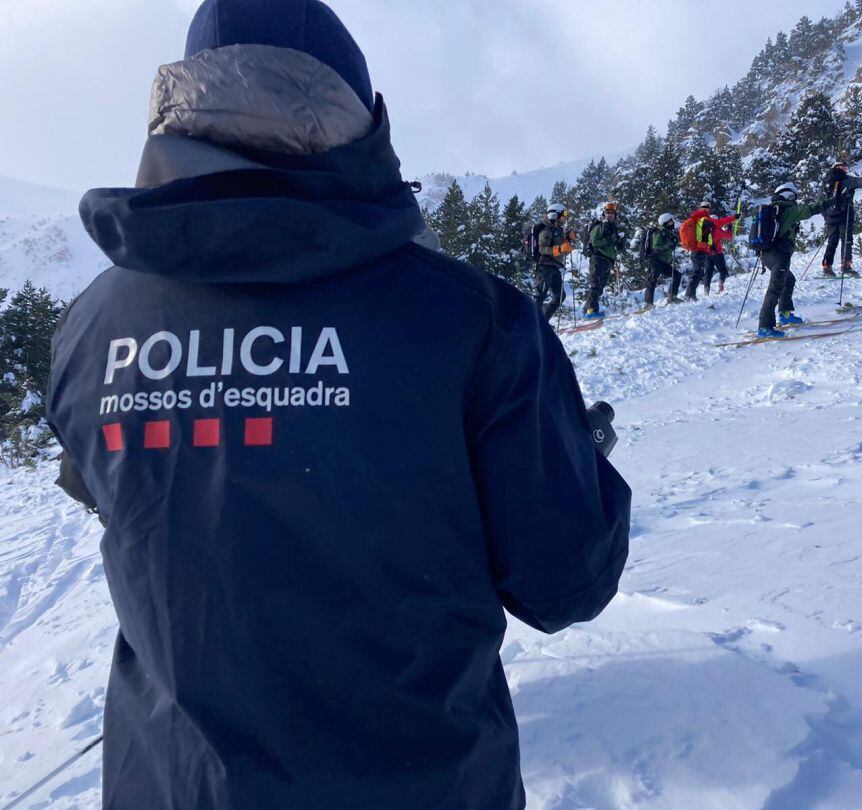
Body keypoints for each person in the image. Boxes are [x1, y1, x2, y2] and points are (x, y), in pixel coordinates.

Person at [46, 2, 631, 808]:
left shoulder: (88, 328)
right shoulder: (469, 320)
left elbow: (117, 491)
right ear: (359, 117)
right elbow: (566, 580)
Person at [757, 182, 824, 338]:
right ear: (789, 195)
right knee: (774, 289)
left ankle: (785, 314)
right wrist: (835, 200)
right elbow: (811, 209)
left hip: (767, 255)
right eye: (794, 196)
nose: (795, 199)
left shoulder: (774, 209)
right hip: (779, 256)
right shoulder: (788, 209)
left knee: (789, 280)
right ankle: (765, 327)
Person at [584, 202, 625, 319]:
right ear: (604, 214)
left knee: (599, 287)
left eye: (612, 213)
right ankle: (591, 311)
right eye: (608, 213)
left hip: (608, 261)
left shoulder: (614, 229)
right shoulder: (599, 226)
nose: (610, 215)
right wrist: (610, 241)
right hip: (598, 258)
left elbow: (614, 247)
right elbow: (595, 242)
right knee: (595, 285)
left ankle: (588, 309)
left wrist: (620, 243)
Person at [534, 203, 574, 321]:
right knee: (539, 297)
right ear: (555, 214)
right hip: (544, 268)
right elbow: (542, 249)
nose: (565, 217)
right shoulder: (546, 230)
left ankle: (543, 322)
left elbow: (564, 248)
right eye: (564, 214)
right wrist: (559, 249)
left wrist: (567, 239)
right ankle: (533, 324)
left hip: (555, 268)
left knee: (560, 296)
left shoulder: (559, 231)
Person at [641, 212, 680, 309]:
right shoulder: (659, 232)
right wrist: (669, 245)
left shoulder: (667, 232)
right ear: (665, 222)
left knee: (676, 275)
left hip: (661, 261)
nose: (673, 223)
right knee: (652, 280)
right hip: (654, 260)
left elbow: (669, 246)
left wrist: (674, 242)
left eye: (672, 221)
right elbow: (657, 247)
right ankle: (647, 304)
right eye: (671, 221)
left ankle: (672, 297)